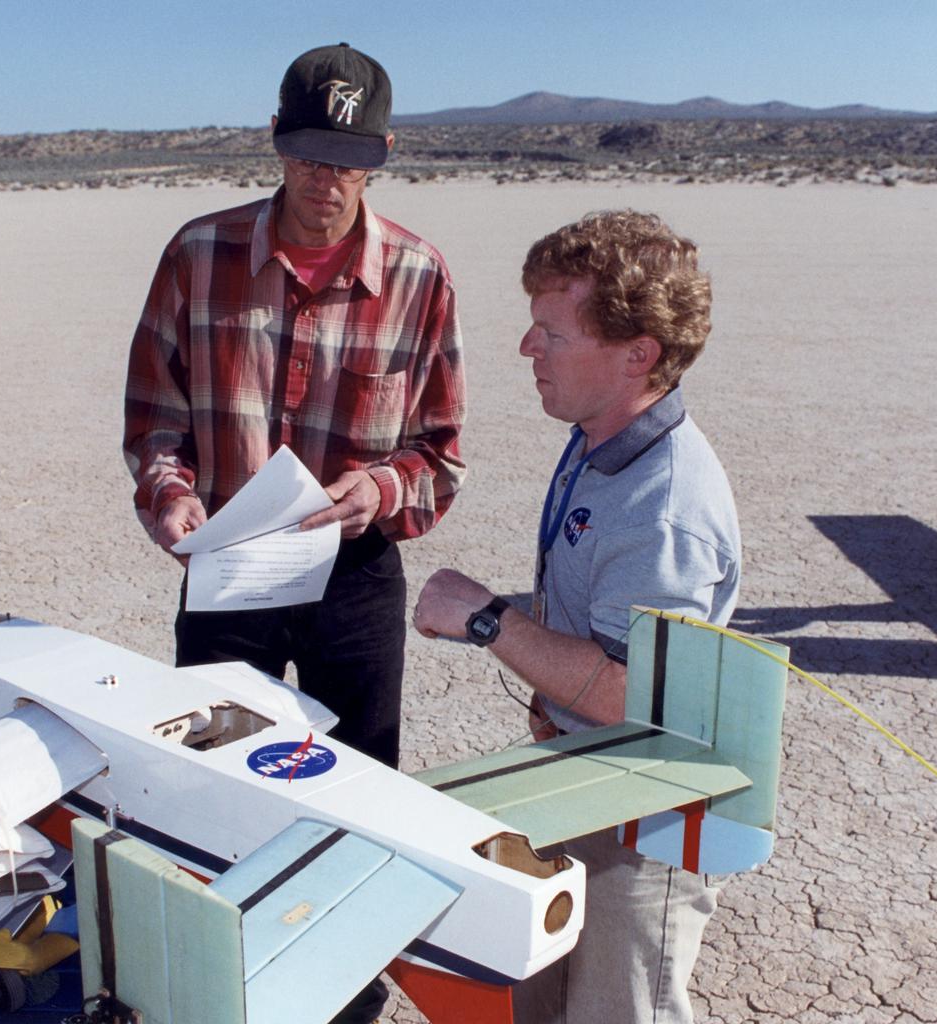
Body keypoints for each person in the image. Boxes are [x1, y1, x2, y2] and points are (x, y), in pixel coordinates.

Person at [123, 43, 466, 1022]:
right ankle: (210, 976)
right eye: (311, 153)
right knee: (205, 780)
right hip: (229, 563)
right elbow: (155, 413)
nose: (327, 180)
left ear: (384, 152)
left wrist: (381, 489)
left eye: (349, 157)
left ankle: (344, 989)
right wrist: (170, 493)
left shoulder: (418, 275)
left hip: (353, 577)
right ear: (276, 143)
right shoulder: (198, 255)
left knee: (359, 789)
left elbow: (440, 455)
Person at [412, 210, 739, 1024]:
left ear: (639, 355)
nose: (528, 349)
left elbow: (638, 699)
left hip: (642, 824)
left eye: (551, 333)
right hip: (582, 785)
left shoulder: (663, 507)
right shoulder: (598, 437)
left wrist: (489, 620)